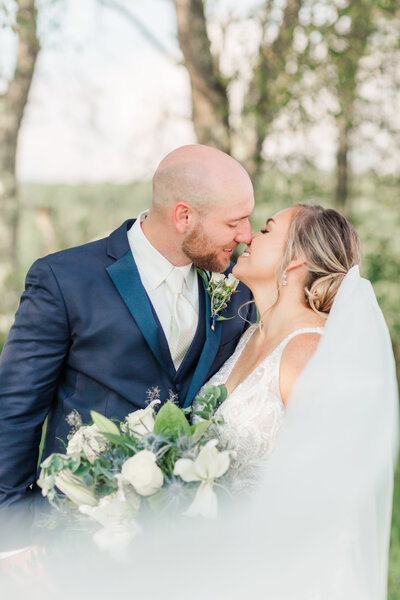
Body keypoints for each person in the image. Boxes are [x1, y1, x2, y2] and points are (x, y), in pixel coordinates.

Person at [0, 144, 257, 558]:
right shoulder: (65, 280)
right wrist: (11, 542)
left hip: (186, 544)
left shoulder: (237, 289)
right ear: (183, 216)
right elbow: (14, 411)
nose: (246, 234)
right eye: (234, 221)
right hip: (75, 534)